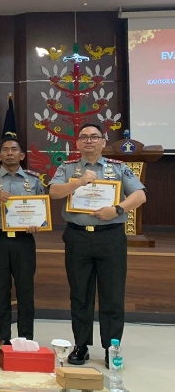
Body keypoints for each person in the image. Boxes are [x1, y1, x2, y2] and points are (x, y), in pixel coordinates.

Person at [49, 123, 146, 368]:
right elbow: (54, 192)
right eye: (84, 137)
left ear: (103, 142)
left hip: (110, 237)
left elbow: (140, 195)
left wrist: (117, 209)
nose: (89, 141)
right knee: (79, 295)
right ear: (77, 143)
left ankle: (111, 348)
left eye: (94, 137)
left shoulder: (118, 168)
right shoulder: (67, 168)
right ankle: (81, 345)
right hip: (78, 237)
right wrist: (78, 182)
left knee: (112, 295)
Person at [0, 136, 45, 344]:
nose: (10, 153)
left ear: (21, 155)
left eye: (14, 150)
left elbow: (43, 208)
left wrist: (38, 223)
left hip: (24, 240)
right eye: (5, 150)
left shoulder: (34, 180)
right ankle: (3, 339)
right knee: (1, 289)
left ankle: (26, 339)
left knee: (25, 290)